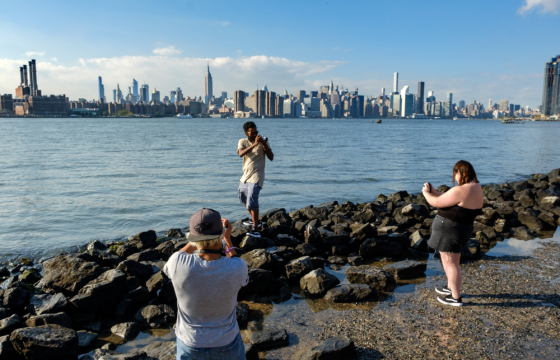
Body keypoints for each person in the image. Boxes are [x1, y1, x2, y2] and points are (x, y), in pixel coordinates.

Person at [163, 208, 248, 360]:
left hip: (190, 343)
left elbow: (179, 255)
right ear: (220, 234)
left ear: (192, 237)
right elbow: (234, 259)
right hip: (226, 342)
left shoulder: (177, 263)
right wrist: (227, 239)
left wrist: (194, 240)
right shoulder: (237, 267)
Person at [422, 160, 483, 307]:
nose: (455, 176)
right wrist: (436, 192)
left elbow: (435, 203)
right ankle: (450, 287)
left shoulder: (461, 190)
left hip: (451, 229)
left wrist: (426, 194)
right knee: (449, 260)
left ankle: (455, 297)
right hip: (463, 228)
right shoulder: (476, 187)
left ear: (461, 173)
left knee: (451, 263)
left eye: (456, 172)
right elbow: (452, 197)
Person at [237, 121, 274, 238]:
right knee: (243, 197)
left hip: (257, 176)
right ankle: (254, 220)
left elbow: (271, 157)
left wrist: (264, 144)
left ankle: (256, 229)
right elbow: (241, 154)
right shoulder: (242, 141)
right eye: (252, 133)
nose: (254, 135)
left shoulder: (263, 142)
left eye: (256, 132)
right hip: (245, 176)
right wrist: (254, 144)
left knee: (252, 199)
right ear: (246, 133)